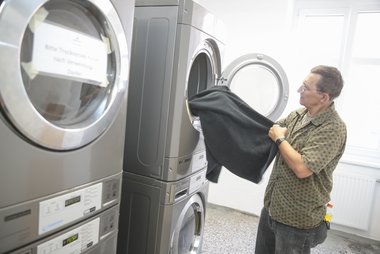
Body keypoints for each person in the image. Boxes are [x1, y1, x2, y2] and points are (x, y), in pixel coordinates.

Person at [254, 65, 347, 254]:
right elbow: (271, 130)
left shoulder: (333, 128)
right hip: (273, 207)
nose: (299, 90)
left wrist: (280, 138)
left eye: (305, 87)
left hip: (297, 220)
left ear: (324, 97)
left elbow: (302, 168)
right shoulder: (298, 115)